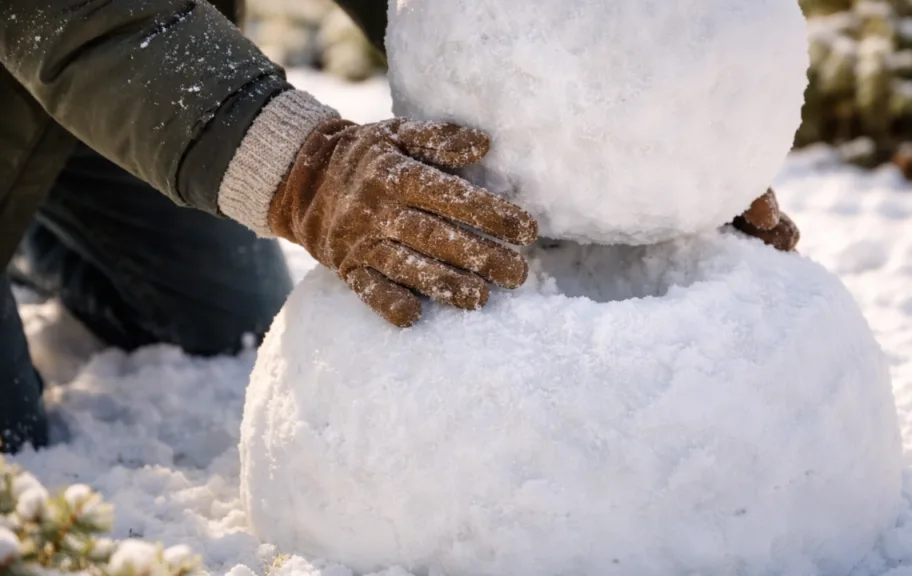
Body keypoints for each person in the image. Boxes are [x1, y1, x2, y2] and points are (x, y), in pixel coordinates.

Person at [0, 0, 799, 455]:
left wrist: (644, 139)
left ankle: (39, 229)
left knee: (219, 324)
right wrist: (306, 171)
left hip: (88, 89)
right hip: (60, 30)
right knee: (11, 446)